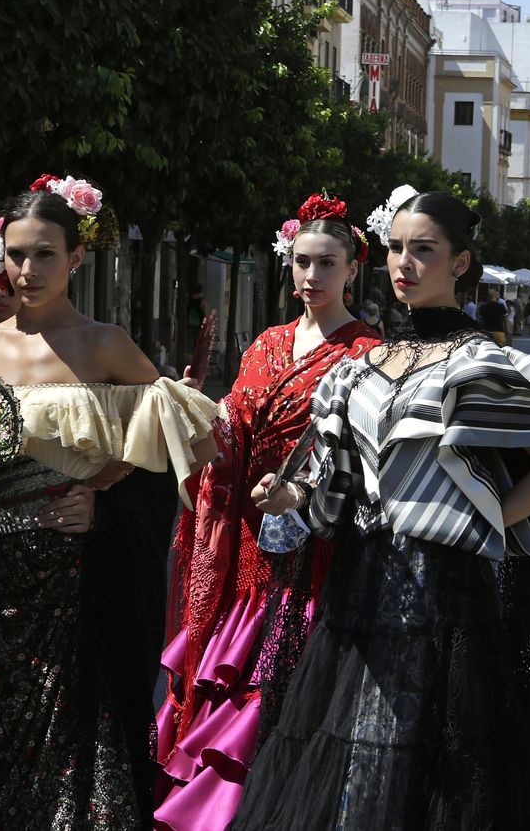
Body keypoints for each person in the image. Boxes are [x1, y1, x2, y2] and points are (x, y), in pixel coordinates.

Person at [228, 189, 530, 830]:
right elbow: (331, 485)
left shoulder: (482, 363)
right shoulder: (361, 367)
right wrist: (289, 496)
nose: (405, 264)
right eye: (397, 249)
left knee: (439, 762)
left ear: (460, 262)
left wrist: (478, 520)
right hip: (357, 586)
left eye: (424, 250)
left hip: (446, 591)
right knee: (354, 751)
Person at [0, 175, 220, 829]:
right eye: (16, 254)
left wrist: (103, 494)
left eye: (44, 253)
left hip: (72, 586)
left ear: (77, 257)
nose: (27, 270)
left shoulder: (103, 344)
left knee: (71, 748)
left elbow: (185, 430)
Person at [154, 194, 380, 830]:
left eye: (327, 263)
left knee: (289, 685)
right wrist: (199, 422)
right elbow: (229, 443)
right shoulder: (265, 344)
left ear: (352, 269)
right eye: (303, 262)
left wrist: (302, 495)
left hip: (319, 548)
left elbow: (367, 460)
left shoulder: (367, 350)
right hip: (251, 543)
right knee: (236, 680)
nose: (313, 277)